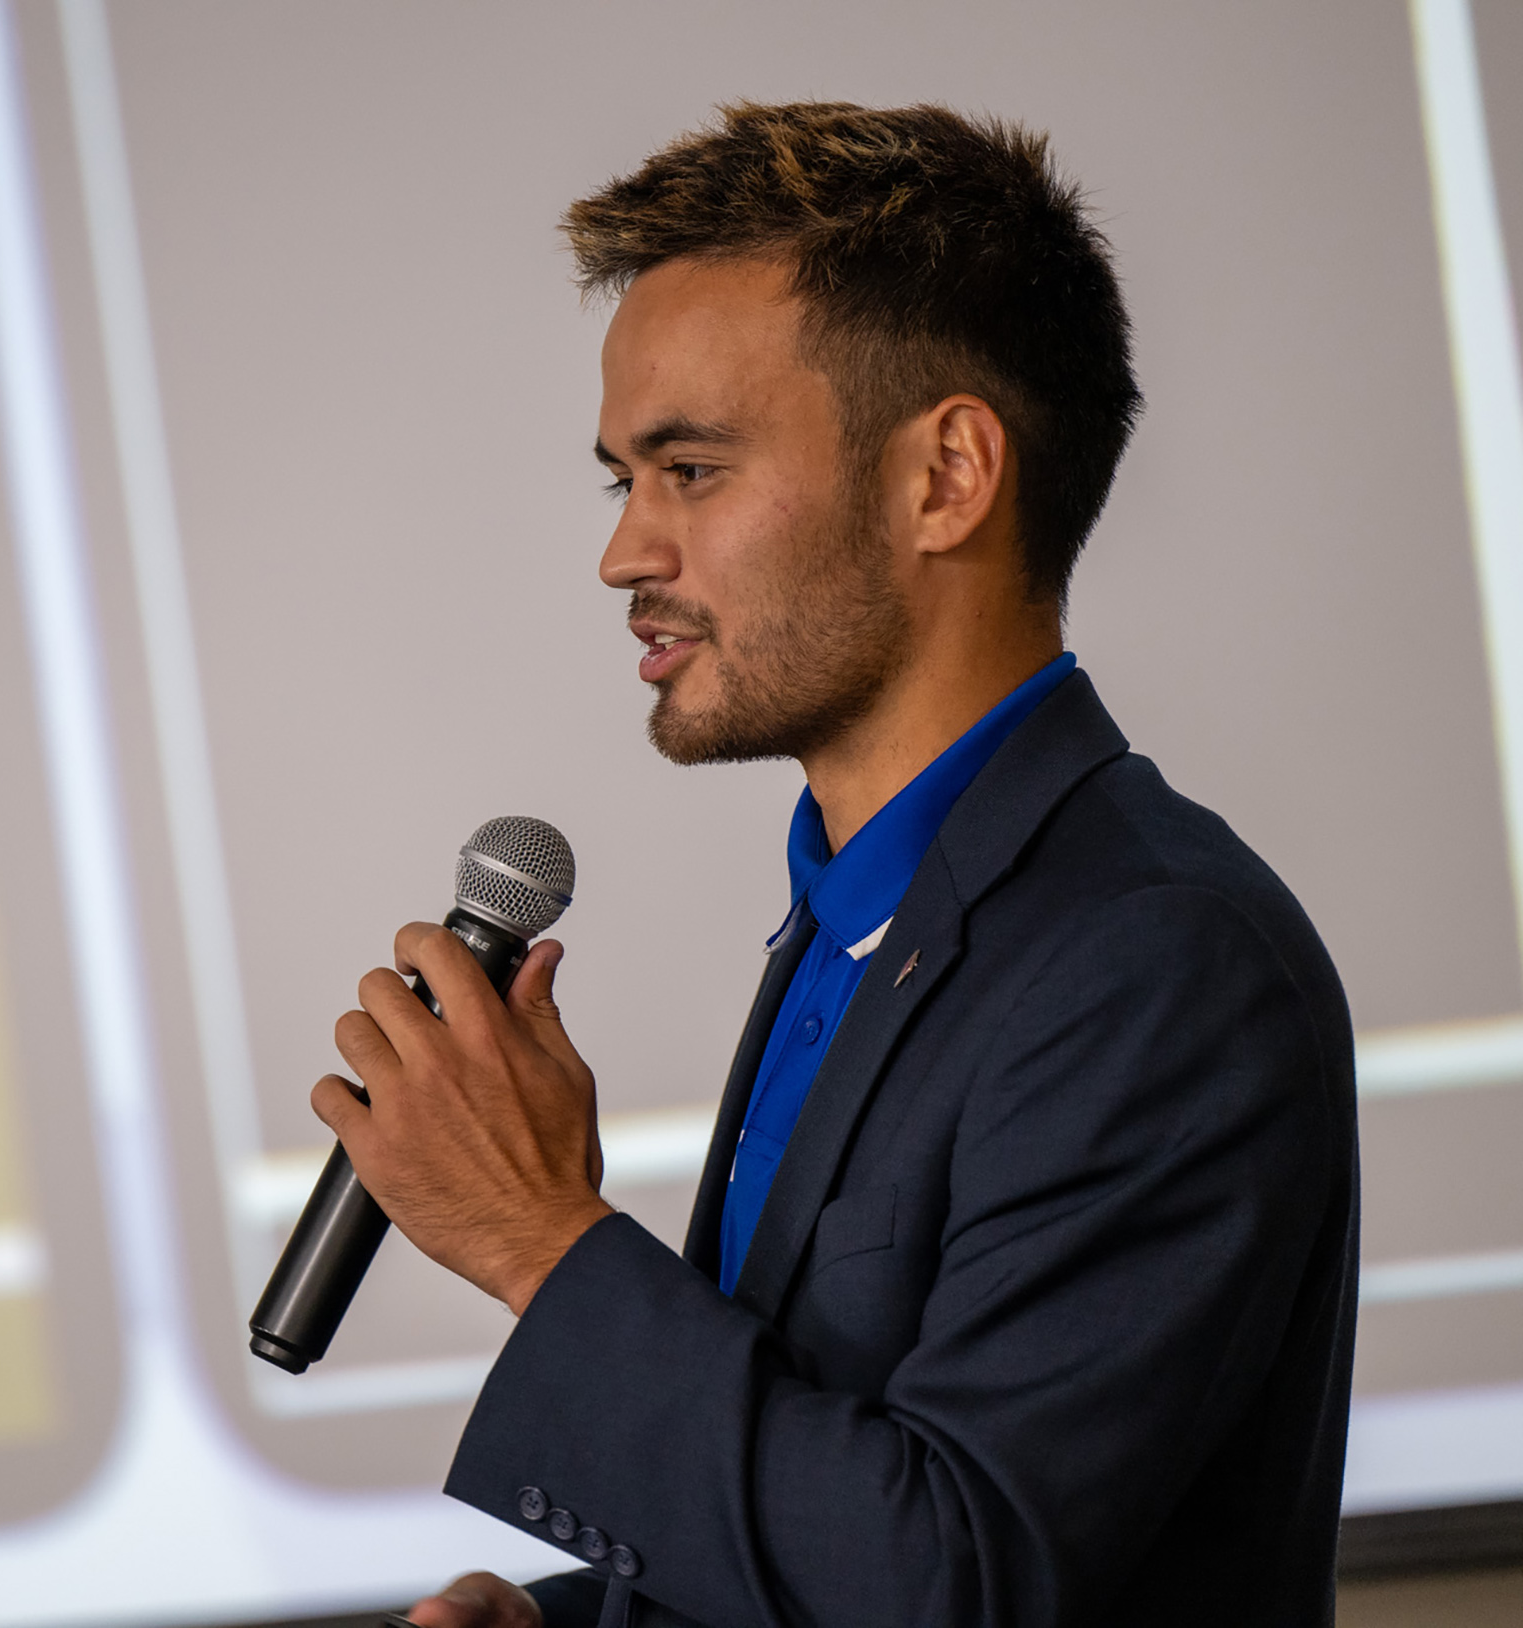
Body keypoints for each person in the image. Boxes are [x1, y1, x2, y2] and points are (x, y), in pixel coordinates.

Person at [311, 102, 1359, 1628]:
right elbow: (836, 1493)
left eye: (691, 470)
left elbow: (957, 1579)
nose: (625, 553)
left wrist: (543, 1239)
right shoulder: (857, 919)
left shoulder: (1158, 960)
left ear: (945, 477)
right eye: (624, 480)